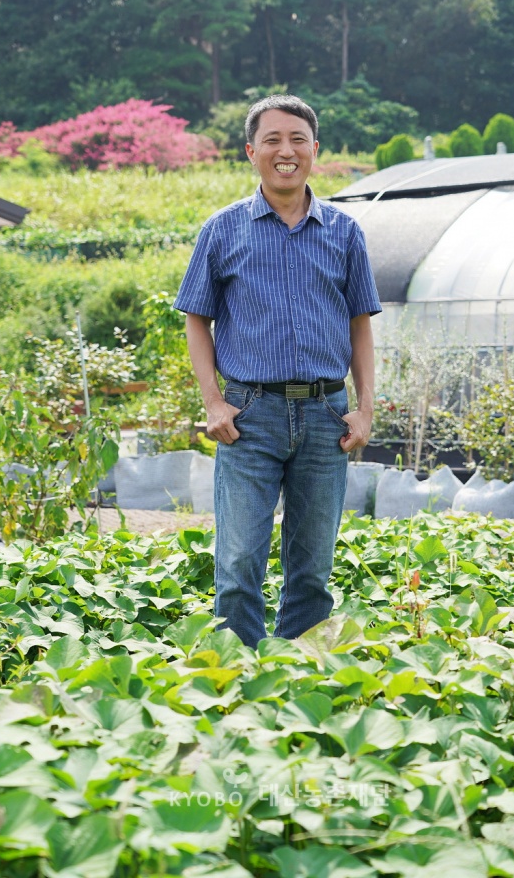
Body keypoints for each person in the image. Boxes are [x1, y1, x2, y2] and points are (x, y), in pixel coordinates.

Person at [173, 94, 381, 649]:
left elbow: (361, 325)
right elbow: (197, 320)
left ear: (315, 149)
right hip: (249, 414)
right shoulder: (222, 230)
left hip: (325, 416)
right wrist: (213, 403)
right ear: (251, 151)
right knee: (239, 560)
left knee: (312, 567)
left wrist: (364, 408)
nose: (285, 151)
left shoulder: (345, 232)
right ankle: (239, 678)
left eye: (297, 140)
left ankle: (298, 679)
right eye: (272, 140)